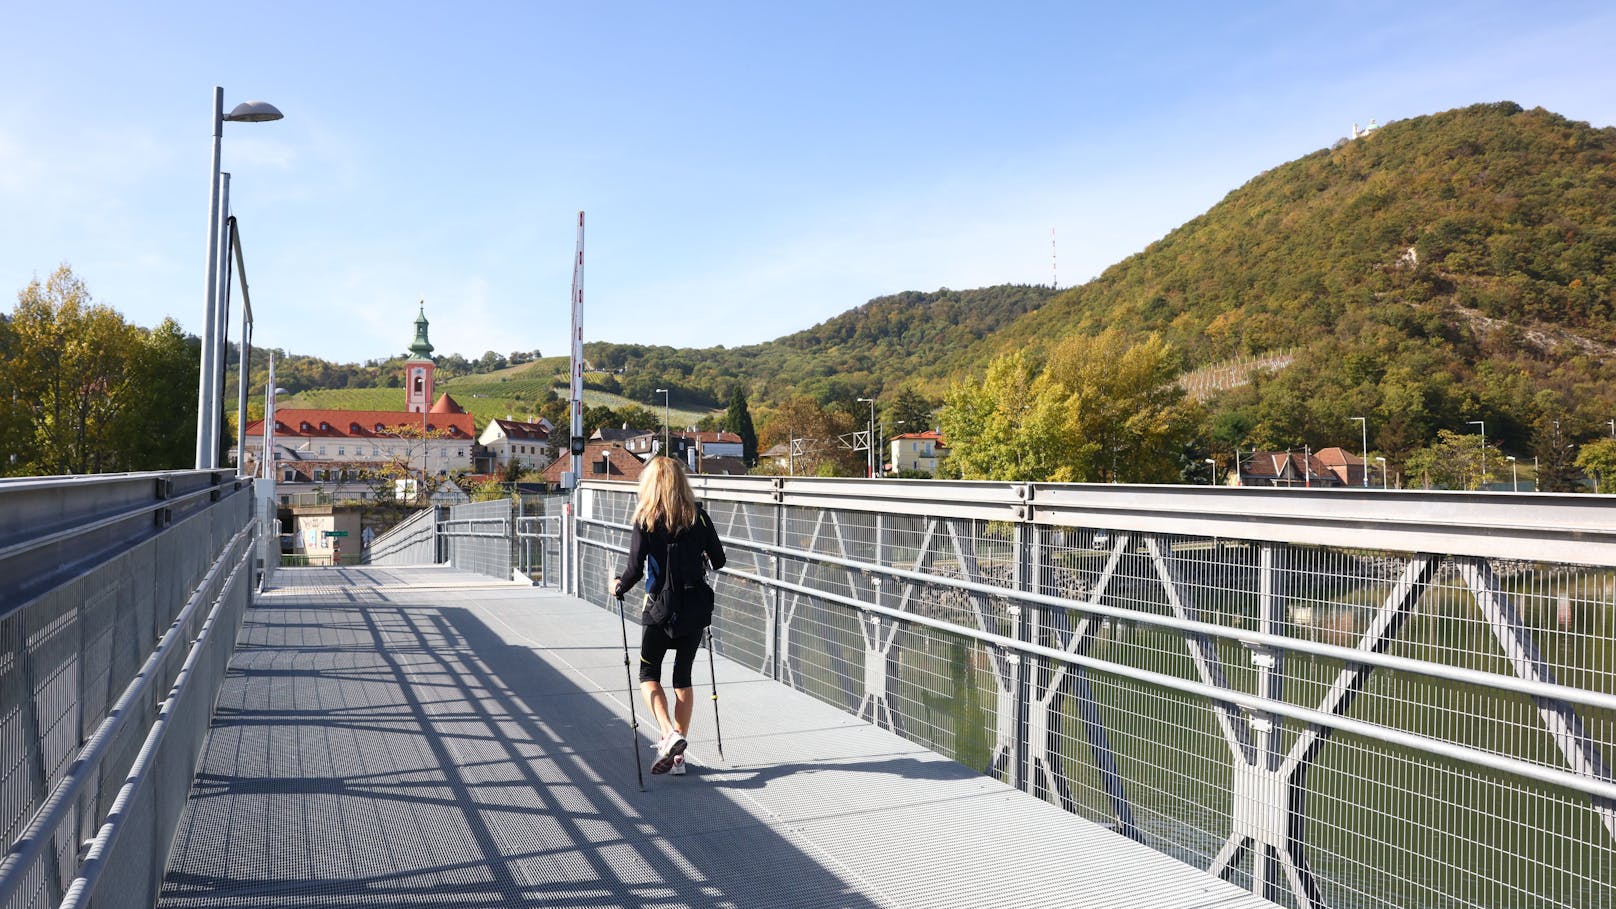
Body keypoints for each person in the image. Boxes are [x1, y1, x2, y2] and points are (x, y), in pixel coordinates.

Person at [610, 457, 725, 775]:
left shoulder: (646, 518)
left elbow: (634, 570)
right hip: (694, 609)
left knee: (648, 676)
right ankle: (679, 756)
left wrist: (618, 586)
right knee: (682, 679)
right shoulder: (698, 516)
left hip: (659, 609)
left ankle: (668, 733)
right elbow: (719, 560)